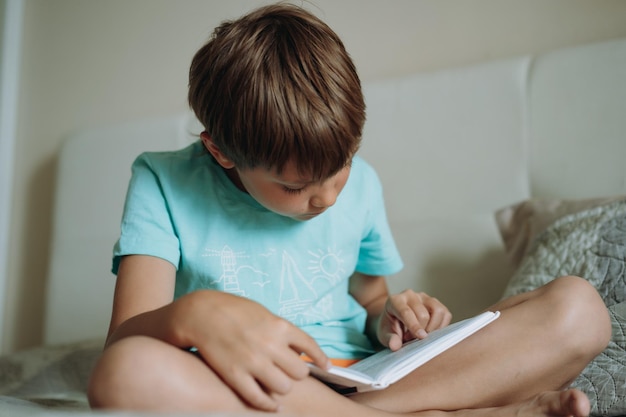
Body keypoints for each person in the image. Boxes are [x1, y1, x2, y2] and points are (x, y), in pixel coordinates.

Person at [87, 4, 611, 416]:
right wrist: (195, 315)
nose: (329, 198)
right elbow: (125, 337)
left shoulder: (362, 187)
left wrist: (395, 318)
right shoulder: (163, 181)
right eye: (295, 186)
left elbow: (370, 299)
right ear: (221, 151)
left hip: (370, 380)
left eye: (342, 167)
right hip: (251, 383)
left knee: (579, 309)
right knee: (126, 372)